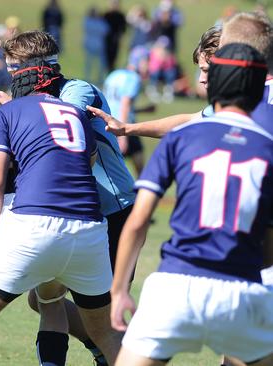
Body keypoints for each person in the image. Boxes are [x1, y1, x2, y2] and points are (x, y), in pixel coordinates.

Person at [0, 56, 118, 366]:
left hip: (34, 224)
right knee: (106, 333)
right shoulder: (74, 114)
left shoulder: (6, 113)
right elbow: (87, 162)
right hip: (90, 229)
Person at [111, 42, 273, 366]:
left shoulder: (182, 137)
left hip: (175, 285)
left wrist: (118, 291)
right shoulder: (267, 148)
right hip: (242, 290)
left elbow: (138, 221)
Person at [0, 30, 133, 365]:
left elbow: (59, 127)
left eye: (15, 68)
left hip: (112, 207)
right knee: (44, 300)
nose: (11, 75)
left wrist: (13, 109)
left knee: (107, 313)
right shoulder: (30, 99)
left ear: (38, 66)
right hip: (71, 210)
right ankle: (100, 349)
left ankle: (114, 350)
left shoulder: (77, 90)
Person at [89, 12, 272, 138]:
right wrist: (127, 128)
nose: (201, 79)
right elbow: (189, 120)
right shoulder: (236, 101)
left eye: (207, 70)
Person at [103, 57, 145, 176]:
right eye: (146, 61)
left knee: (111, 162)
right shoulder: (133, 78)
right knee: (138, 158)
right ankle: (142, 190)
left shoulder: (114, 75)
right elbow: (125, 103)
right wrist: (123, 134)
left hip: (107, 121)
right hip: (122, 124)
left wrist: (144, 110)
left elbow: (113, 102)